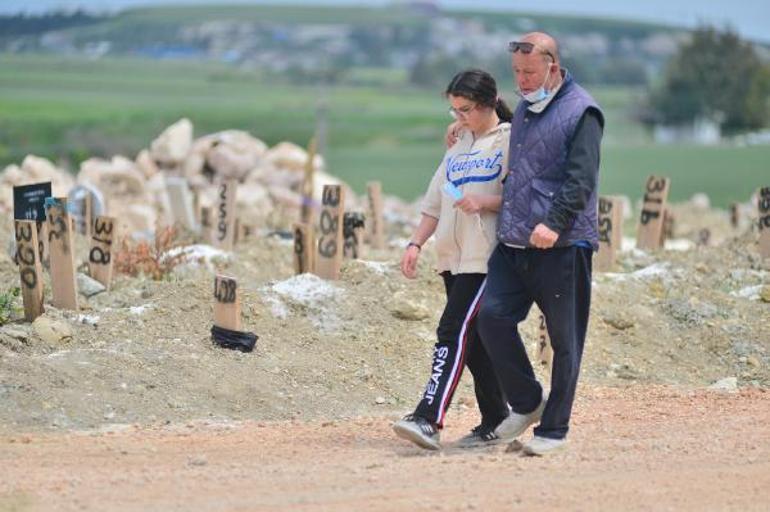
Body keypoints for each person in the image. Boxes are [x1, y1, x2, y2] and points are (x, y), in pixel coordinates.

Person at [470, 32, 604, 456]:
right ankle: (528, 401)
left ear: (552, 64)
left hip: (561, 245)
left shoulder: (583, 111)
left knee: (565, 342)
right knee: (489, 319)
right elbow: (508, 134)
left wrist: (555, 223)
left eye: (529, 73)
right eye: (516, 73)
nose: (522, 81)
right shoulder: (527, 108)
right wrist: (464, 127)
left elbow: (581, 180)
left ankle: (554, 430)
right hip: (514, 243)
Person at [392, 69, 513, 450]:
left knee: (451, 330)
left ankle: (428, 416)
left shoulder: (512, 141)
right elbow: (434, 202)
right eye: (453, 111)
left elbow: (526, 201)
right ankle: (499, 417)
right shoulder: (457, 143)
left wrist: (485, 202)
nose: (459, 118)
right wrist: (416, 244)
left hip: (488, 259)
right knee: (473, 344)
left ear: (489, 104)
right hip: (452, 259)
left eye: (465, 110)